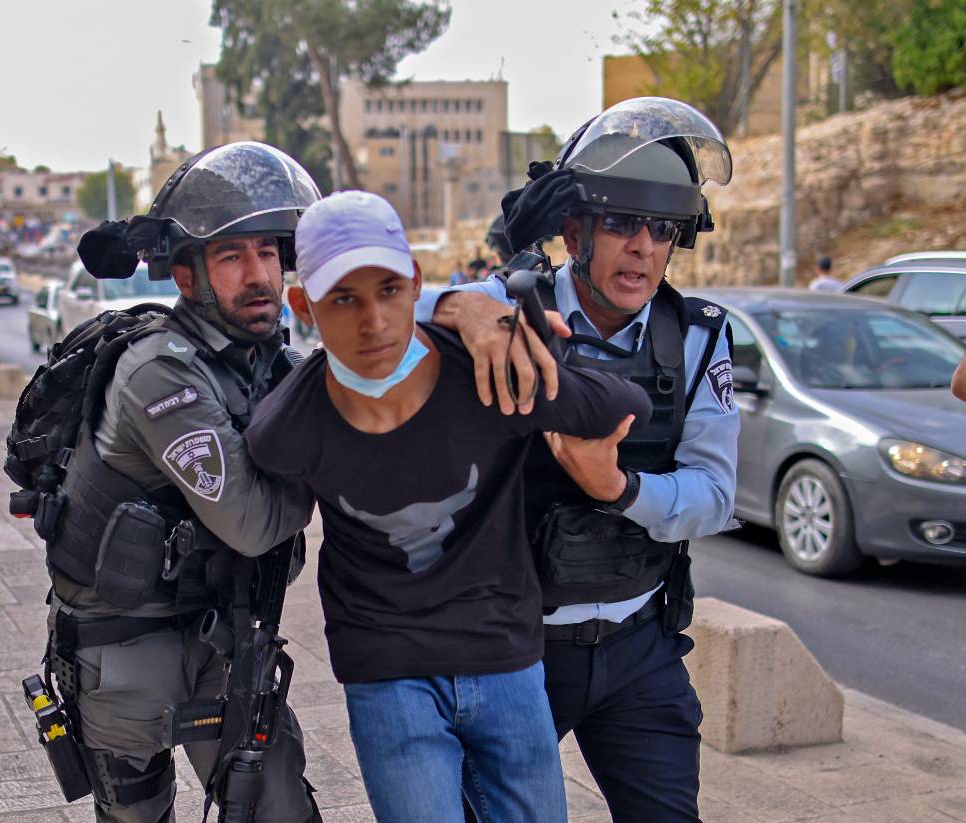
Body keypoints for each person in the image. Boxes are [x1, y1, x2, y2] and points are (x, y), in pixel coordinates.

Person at [245, 191, 650, 823]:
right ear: (305, 306)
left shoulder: (488, 371)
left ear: (415, 284)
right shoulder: (288, 429)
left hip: (504, 656)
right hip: (388, 671)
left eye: (388, 290)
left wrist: (536, 355)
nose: (373, 322)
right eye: (343, 299)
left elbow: (624, 404)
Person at [425, 96, 739, 823]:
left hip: (638, 647)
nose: (641, 248)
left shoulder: (697, 339)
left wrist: (619, 487)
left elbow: (716, 493)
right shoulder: (506, 308)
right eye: (622, 224)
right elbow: (389, 323)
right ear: (574, 232)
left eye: (660, 229)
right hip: (513, 655)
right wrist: (457, 303)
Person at [37, 142, 323, 822]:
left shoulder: (263, 361)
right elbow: (250, 520)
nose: (258, 274)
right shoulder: (158, 370)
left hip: (224, 630)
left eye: (266, 252)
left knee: (281, 809)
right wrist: (323, 464)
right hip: (126, 644)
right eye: (230, 256)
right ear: (188, 275)